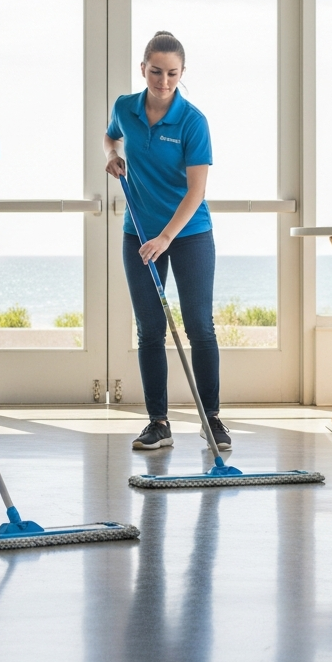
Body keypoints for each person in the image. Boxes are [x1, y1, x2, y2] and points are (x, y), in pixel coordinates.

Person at [105, 30, 229, 452]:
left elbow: (196, 192)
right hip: (138, 233)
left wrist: (166, 237)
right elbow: (111, 134)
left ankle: (211, 419)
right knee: (150, 330)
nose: (163, 81)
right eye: (155, 71)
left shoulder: (193, 122)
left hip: (189, 234)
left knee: (199, 326)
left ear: (181, 73)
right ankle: (158, 423)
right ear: (143, 68)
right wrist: (112, 155)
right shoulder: (126, 107)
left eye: (172, 73)